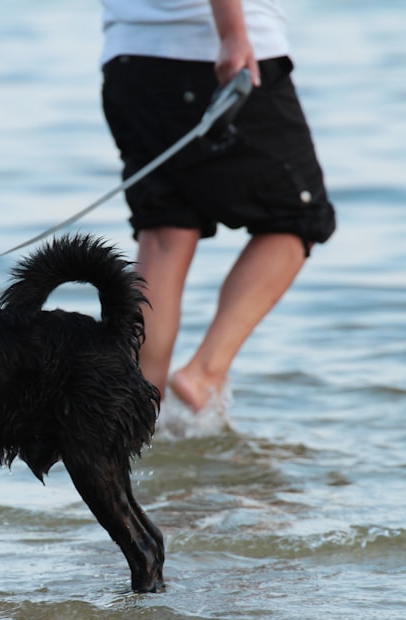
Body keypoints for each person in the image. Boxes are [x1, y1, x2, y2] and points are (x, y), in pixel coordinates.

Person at [100, 0, 336, 413]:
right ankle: (205, 372)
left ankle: (138, 409)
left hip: (130, 62)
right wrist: (233, 33)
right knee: (298, 218)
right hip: (213, 53)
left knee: (165, 234)